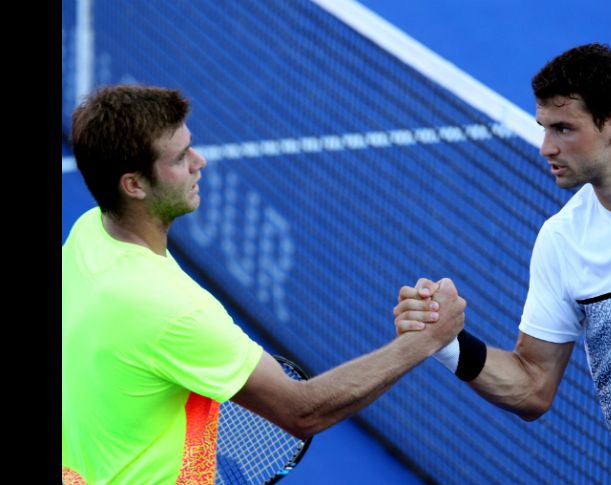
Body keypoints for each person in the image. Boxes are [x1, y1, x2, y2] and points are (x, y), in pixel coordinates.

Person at [61, 84, 466, 484]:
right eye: (181, 157)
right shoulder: (174, 311)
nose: (199, 162)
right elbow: (302, 411)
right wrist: (425, 340)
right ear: (134, 185)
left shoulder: (89, 235)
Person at [393, 43, 611, 484]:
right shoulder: (563, 242)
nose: (545, 147)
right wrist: (447, 344)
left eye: (562, 129)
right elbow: (531, 387)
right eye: (544, 128)